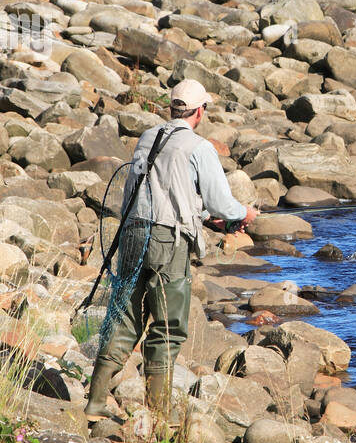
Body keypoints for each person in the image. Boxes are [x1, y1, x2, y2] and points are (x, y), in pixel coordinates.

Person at [84, 78, 258, 422]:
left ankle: (95, 404)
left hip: (132, 233)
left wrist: (208, 219)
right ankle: (159, 415)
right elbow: (222, 201)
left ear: (172, 108)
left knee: (124, 316)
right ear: (200, 111)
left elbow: (154, 187)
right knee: (166, 326)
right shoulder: (199, 147)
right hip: (168, 243)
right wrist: (244, 214)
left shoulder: (147, 138)